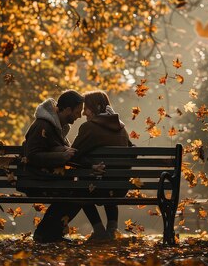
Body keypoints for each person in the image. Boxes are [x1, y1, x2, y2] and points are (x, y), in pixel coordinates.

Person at [20, 89, 84, 242]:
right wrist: (62, 156)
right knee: (77, 193)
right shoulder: (43, 125)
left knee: (79, 192)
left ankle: (49, 234)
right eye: (77, 111)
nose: (80, 115)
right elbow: (32, 155)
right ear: (67, 110)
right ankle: (45, 234)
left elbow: (55, 152)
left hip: (48, 179)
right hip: (36, 180)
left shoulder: (57, 127)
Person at [71, 90, 132, 241]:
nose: (84, 113)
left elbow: (74, 155)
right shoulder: (121, 129)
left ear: (96, 107)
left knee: (79, 188)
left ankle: (99, 230)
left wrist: (89, 164)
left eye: (86, 108)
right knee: (109, 179)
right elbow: (132, 152)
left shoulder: (89, 128)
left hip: (95, 188)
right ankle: (112, 229)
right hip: (120, 187)